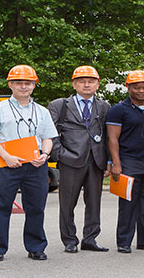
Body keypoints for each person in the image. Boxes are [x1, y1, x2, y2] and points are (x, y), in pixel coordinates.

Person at [0, 65, 58, 262]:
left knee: (36, 208)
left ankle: (36, 247)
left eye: (27, 83)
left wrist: (45, 154)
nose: (23, 86)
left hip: (35, 166)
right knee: (1, 207)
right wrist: (6, 156)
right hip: (7, 164)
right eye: (18, 82)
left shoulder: (42, 111)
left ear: (34, 85)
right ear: (10, 84)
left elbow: (48, 137)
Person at [49, 66, 111, 253]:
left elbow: (108, 135)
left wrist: (108, 161)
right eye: (82, 81)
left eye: (91, 81)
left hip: (95, 161)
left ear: (97, 84)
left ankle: (90, 239)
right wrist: (61, 154)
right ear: (74, 84)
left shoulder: (104, 106)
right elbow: (50, 134)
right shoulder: (59, 105)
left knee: (94, 203)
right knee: (67, 203)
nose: (86, 84)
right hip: (70, 161)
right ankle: (69, 240)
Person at [106, 71, 144, 253]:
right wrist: (116, 164)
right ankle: (123, 241)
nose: (141, 91)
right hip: (129, 162)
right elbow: (112, 139)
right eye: (136, 87)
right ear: (128, 87)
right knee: (128, 204)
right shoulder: (119, 110)